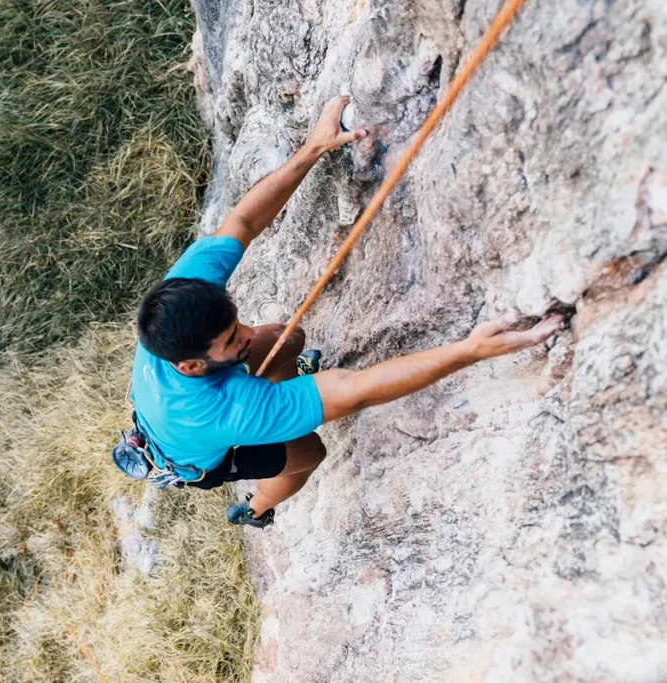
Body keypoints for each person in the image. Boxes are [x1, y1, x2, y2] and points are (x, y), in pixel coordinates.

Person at [130, 95, 563, 528]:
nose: (245, 332)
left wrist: (314, 148)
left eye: (236, 320)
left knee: (287, 337)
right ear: (189, 363)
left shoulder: (182, 300)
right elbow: (356, 390)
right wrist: (469, 351)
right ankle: (256, 509)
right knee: (308, 453)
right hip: (195, 452)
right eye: (229, 339)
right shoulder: (225, 412)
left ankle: (286, 394)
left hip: (179, 406)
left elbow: (241, 223)